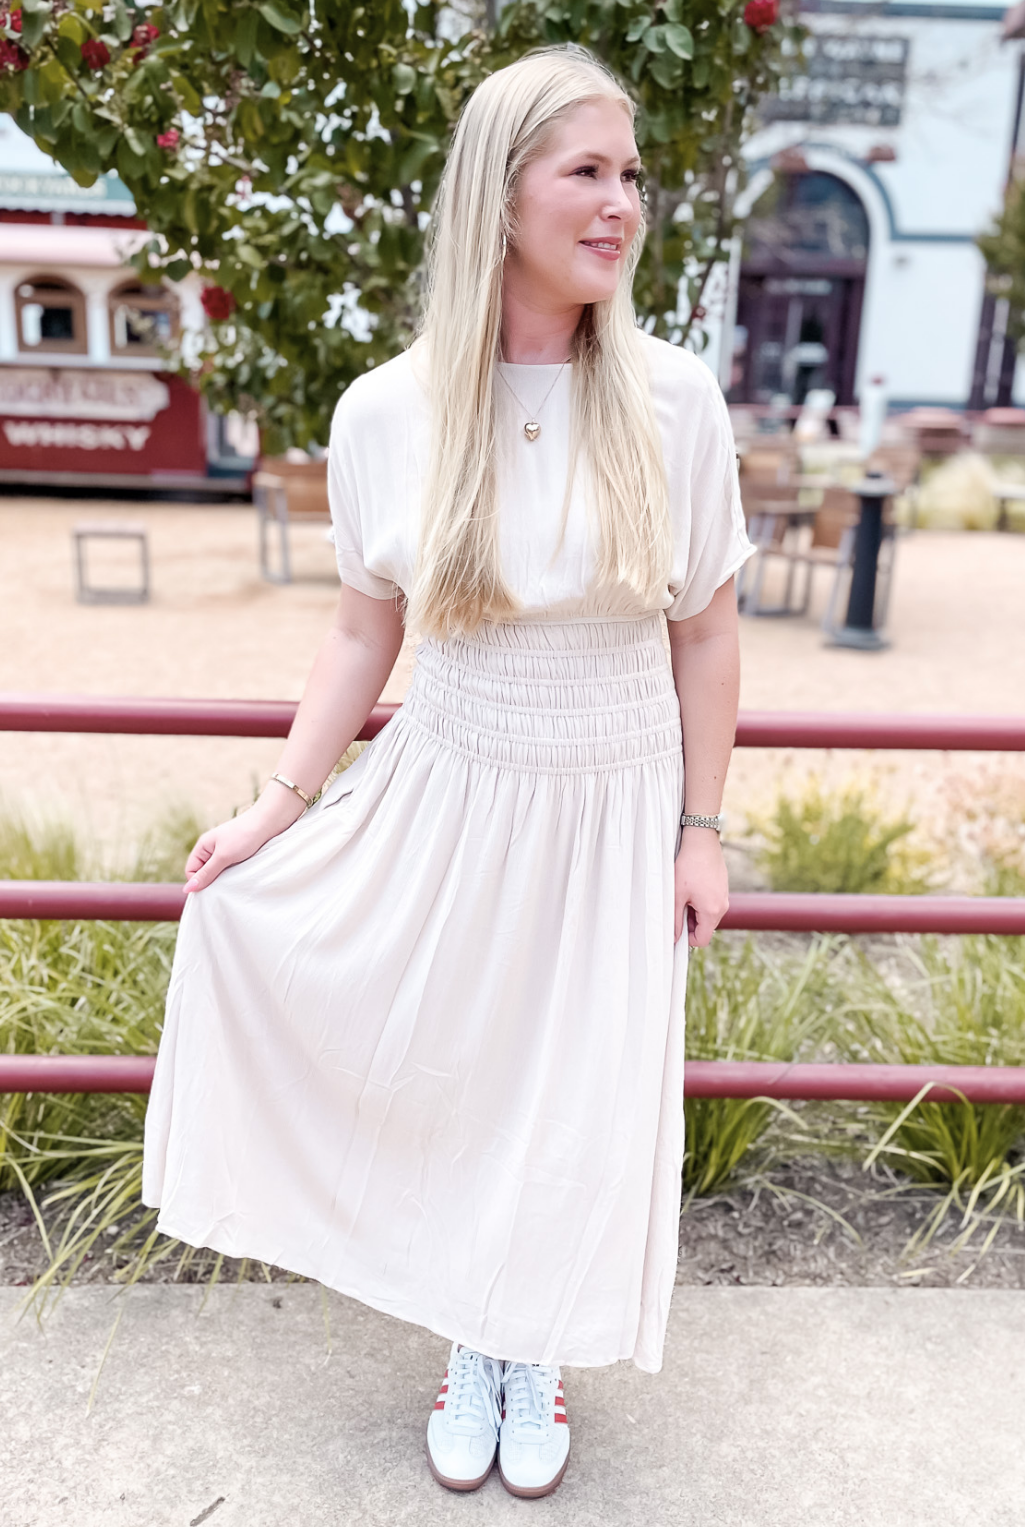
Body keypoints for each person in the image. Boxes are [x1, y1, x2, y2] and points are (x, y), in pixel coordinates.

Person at [142, 43, 754, 1500]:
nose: (622, 205)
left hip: (613, 795)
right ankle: (472, 1331)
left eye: (632, 175)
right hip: (450, 774)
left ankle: (525, 1340)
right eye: (586, 171)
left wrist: (701, 827)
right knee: (456, 1064)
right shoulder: (388, 410)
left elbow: (712, 636)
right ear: (501, 190)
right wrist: (275, 807)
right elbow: (364, 634)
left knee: (576, 1087)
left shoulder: (675, 401)